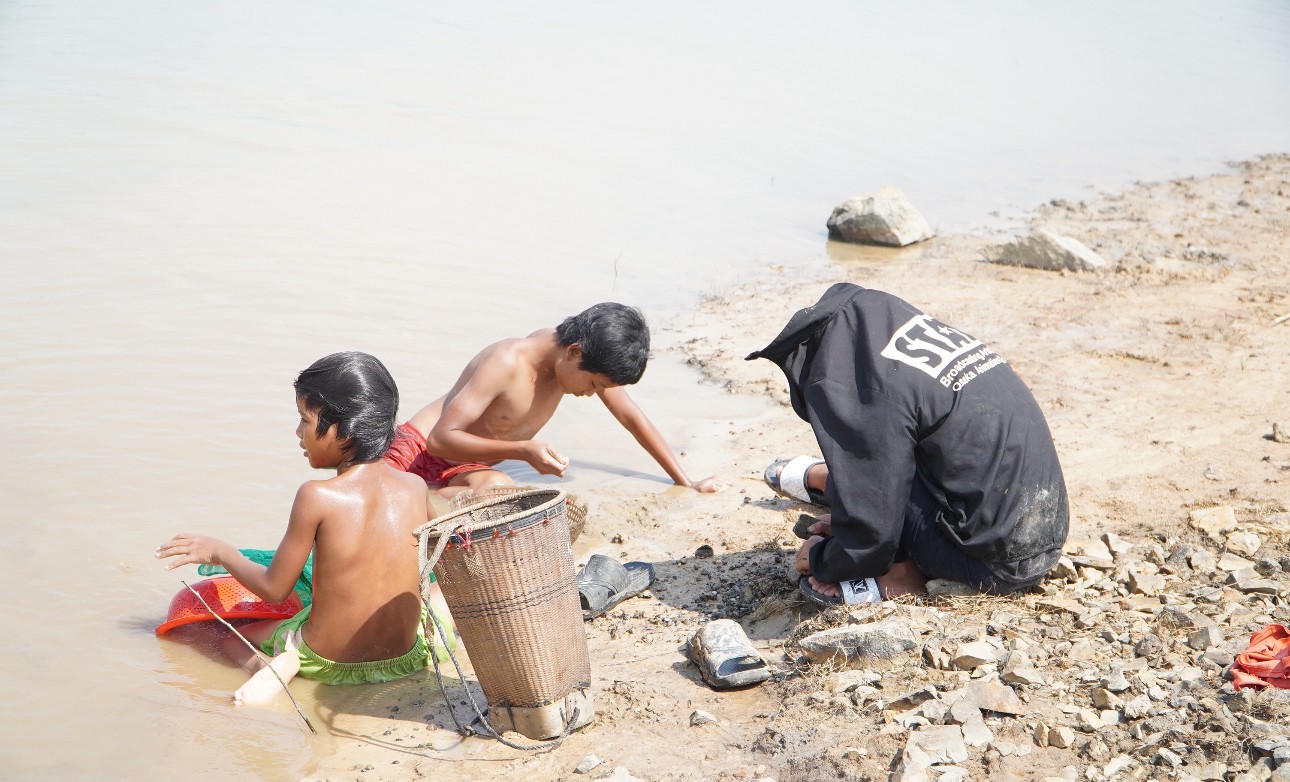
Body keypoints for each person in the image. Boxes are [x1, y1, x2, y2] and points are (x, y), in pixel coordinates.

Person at [156, 351, 453, 704]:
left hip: (331, 664)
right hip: (405, 659)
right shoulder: (415, 487)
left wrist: (221, 551)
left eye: (305, 420)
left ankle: (266, 666)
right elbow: (441, 559)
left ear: (343, 429)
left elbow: (274, 589)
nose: (298, 433)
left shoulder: (317, 496)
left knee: (230, 639)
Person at [747, 283, 1069, 604]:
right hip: (1047, 534)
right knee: (890, 456)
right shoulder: (901, 342)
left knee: (877, 481)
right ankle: (833, 486)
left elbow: (874, 533)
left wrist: (827, 558)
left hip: (992, 563)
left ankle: (900, 575)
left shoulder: (862, 381)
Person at [385, 302, 723, 495]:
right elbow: (442, 440)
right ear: (574, 352)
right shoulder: (507, 360)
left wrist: (686, 481)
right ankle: (412, 501)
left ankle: (422, 504)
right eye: (592, 385)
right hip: (416, 455)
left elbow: (630, 417)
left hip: (466, 467)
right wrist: (523, 450)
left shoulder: (576, 358)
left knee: (500, 489)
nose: (592, 394)